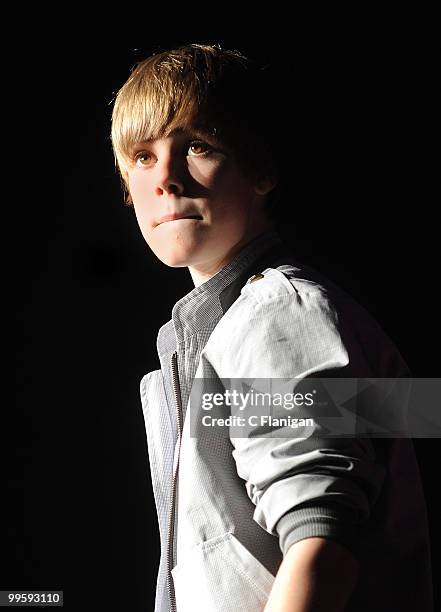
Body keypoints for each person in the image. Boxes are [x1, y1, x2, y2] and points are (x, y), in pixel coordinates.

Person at [110, 43, 433, 612]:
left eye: (199, 147)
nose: (166, 179)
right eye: (142, 156)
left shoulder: (279, 314)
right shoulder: (202, 343)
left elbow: (322, 543)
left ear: (260, 170)